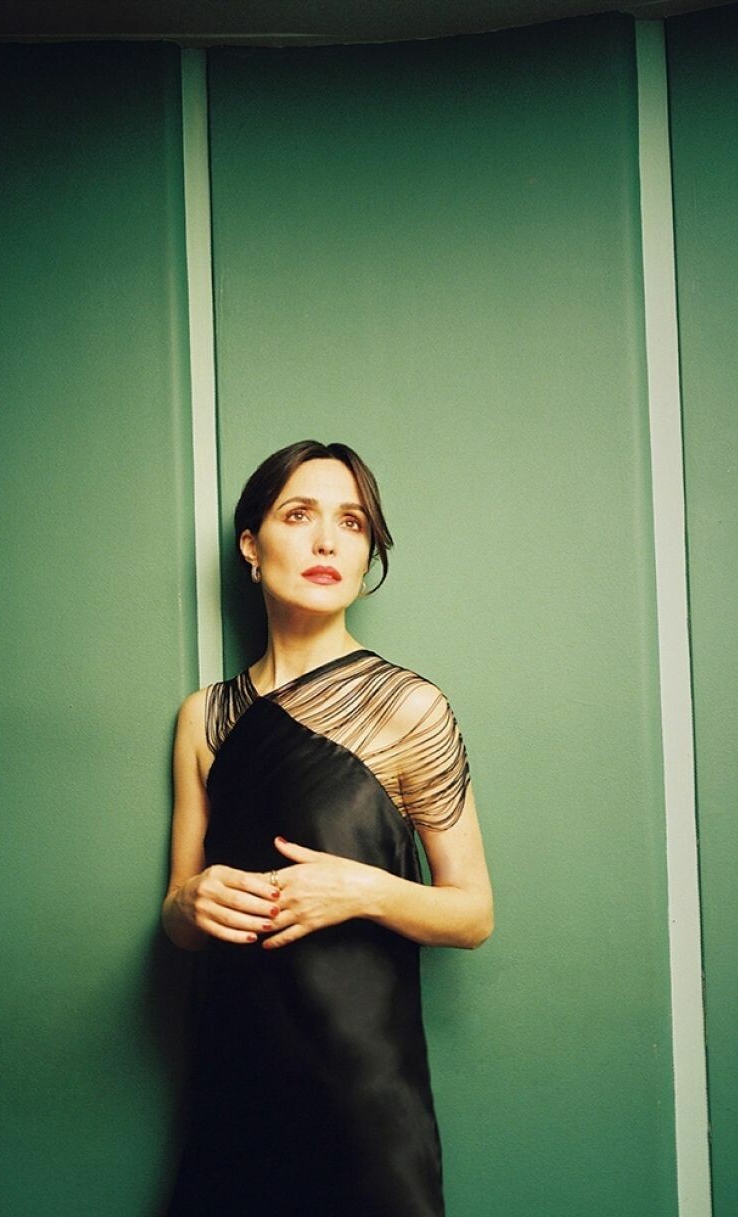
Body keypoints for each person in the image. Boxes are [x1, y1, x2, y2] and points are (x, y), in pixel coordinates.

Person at [162, 439, 492, 1217]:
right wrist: (193, 901)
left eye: (351, 522)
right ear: (251, 544)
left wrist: (364, 890)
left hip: (365, 1106)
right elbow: (177, 917)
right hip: (235, 1094)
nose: (326, 541)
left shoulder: (409, 708)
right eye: (299, 515)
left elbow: (474, 912)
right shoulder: (204, 718)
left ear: (367, 551)